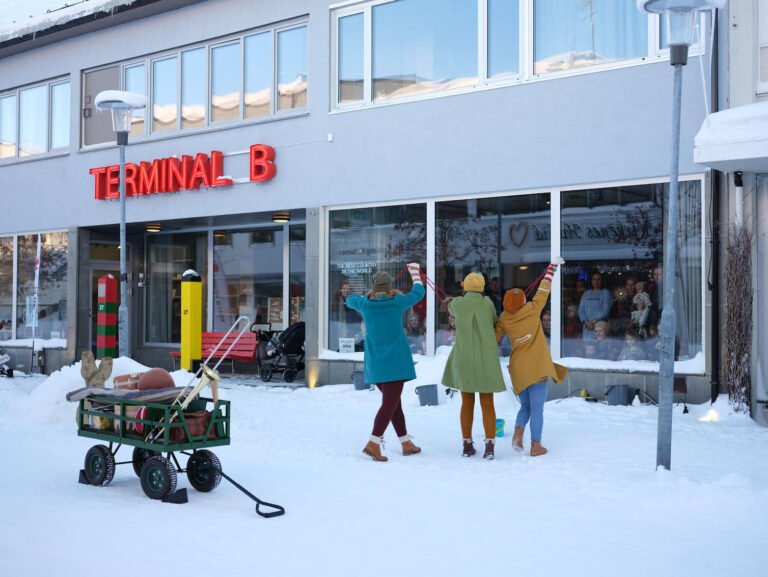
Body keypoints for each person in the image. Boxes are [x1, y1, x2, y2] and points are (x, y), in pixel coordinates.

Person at [345, 264, 425, 462]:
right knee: (389, 404)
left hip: (375, 363)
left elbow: (349, 299)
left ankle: (406, 442)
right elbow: (418, 292)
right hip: (395, 362)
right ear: (389, 287)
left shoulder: (364, 303)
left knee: (393, 404)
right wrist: (415, 272)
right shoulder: (397, 301)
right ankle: (373, 443)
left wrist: (359, 295)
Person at [495, 260, 568, 457]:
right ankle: (536, 445)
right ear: (523, 302)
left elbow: (495, 336)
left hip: (518, 368)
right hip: (537, 367)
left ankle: (518, 431)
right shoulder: (533, 309)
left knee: (525, 405)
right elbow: (543, 291)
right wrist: (550, 271)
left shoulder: (503, 318)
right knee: (537, 408)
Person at [441, 272, 506, 459]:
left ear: (465, 287)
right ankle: (490, 446)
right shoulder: (488, 304)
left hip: (464, 359)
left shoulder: (458, 304)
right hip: (486, 359)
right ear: (483, 287)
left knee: (466, 403)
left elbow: (450, 306)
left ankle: (467, 445)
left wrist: (450, 299)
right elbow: (494, 322)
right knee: (488, 403)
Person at [578, 271, 612, 339]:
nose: (596, 281)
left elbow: (605, 310)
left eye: (598, 279)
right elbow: (581, 309)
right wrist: (586, 322)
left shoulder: (605, 293)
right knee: (588, 348)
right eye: (594, 279)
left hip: (600, 326)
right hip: (587, 327)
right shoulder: (586, 294)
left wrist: (593, 322)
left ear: (602, 281)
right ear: (591, 280)